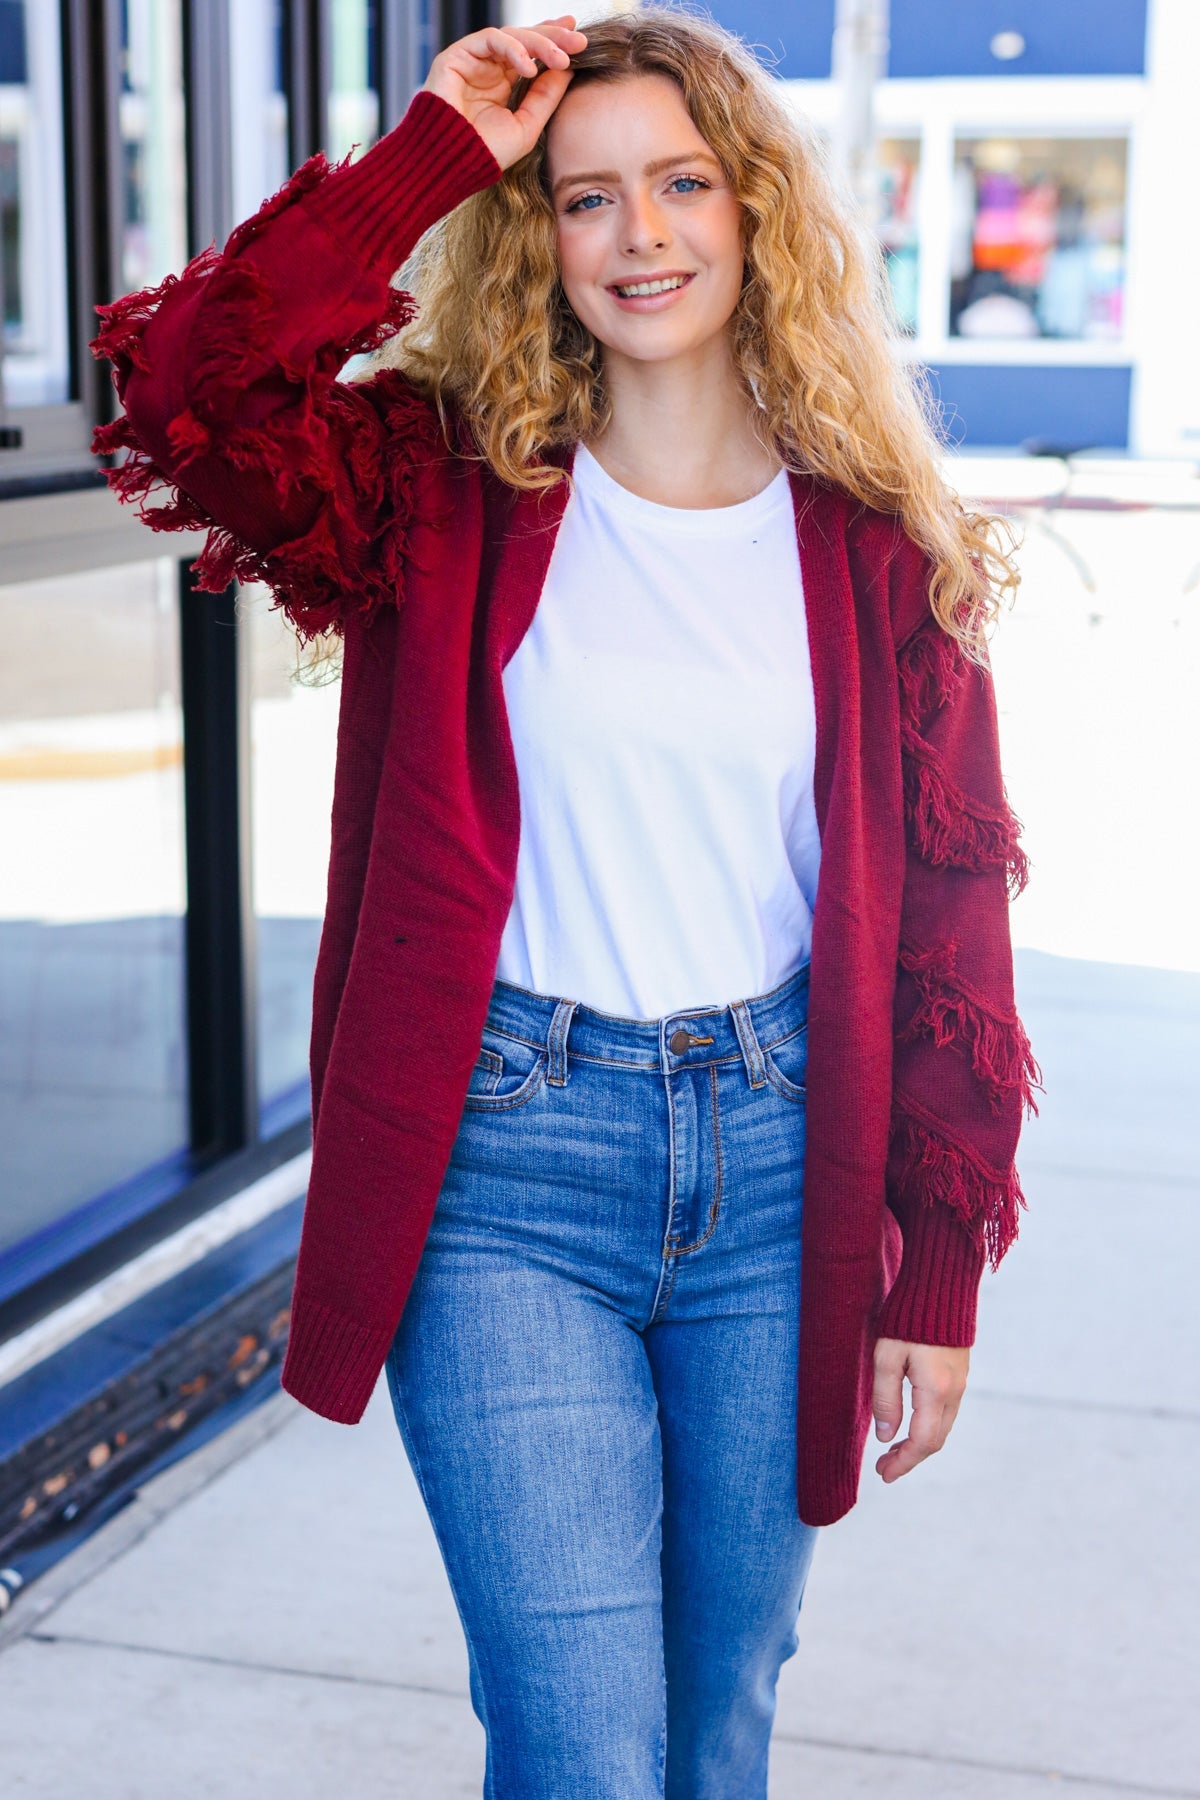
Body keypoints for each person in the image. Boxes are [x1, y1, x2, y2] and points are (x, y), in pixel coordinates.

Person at [89, 9, 1039, 1795]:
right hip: (505, 1170)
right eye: (588, 198)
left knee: (718, 1717)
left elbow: (947, 915)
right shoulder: (439, 491)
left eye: (684, 183)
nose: (643, 235)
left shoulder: (871, 541)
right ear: (540, 234)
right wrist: (430, 155)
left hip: (777, 1171)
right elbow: (188, 389)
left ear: (758, 210)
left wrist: (939, 1251)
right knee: (583, 1742)